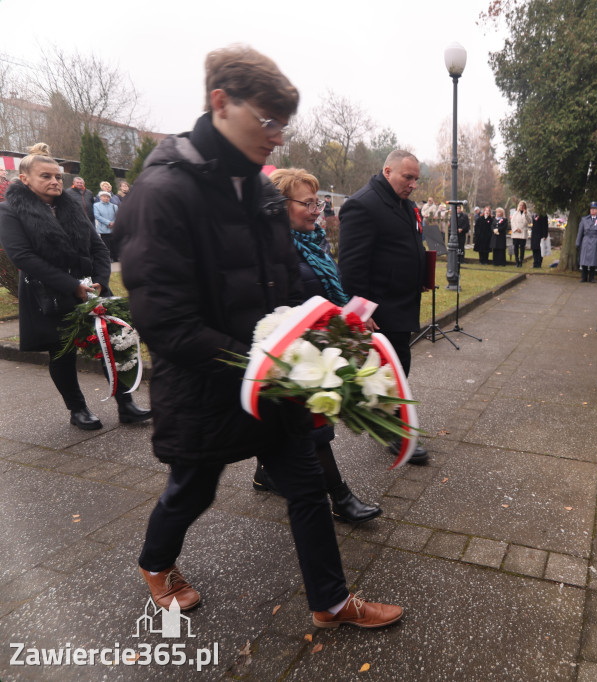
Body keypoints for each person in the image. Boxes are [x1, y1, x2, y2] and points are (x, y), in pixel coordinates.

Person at [117, 45, 402, 629]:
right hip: (205, 384)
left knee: (307, 483)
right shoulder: (163, 192)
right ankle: (156, 563)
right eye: (267, 120)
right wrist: (263, 360)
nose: (276, 137)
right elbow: (164, 320)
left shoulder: (263, 192)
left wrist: (321, 334)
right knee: (193, 490)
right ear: (221, 103)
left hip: (271, 375)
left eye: (283, 125)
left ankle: (330, 602)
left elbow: (285, 281)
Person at [249, 168, 382, 525]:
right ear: (281, 205)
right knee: (313, 430)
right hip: (291, 351)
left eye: (317, 203)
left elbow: (324, 292)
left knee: (295, 428)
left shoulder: (314, 243)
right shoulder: (275, 249)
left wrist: (350, 314)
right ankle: (339, 497)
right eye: (307, 203)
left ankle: (265, 473)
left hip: (315, 343)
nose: (316, 211)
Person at [0, 144, 150, 430]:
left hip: (90, 289)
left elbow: (98, 247)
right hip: (48, 293)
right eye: (46, 176)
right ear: (25, 179)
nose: (55, 181)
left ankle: (127, 404)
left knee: (111, 343)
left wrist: (101, 280)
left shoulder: (70, 206)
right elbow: (22, 256)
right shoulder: (9, 210)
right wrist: (71, 286)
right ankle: (78, 409)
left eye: (58, 176)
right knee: (62, 352)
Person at [337, 149, 430, 465]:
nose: (413, 184)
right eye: (408, 177)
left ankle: (384, 421)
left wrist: (421, 273)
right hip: (381, 309)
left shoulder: (404, 203)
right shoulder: (363, 204)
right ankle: (394, 431)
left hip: (402, 301)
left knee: (397, 365)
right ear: (387, 171)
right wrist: (361, 314)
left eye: (416, 179)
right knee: (393, 368)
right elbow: (351, 266)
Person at [577, 201, 597, 282]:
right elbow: (580, 232)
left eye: (594, 209)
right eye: (591, 209)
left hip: (595, 241)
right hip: (586, 240)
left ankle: (592, 278)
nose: (592, 210)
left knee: (594, 260)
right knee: (584, 259)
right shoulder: (584, 219)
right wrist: (578, 242)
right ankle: (584, 277)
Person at [93, 190, 119, 262]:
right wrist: (108, 223)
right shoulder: (96, 205)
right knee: (106, 244)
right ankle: (109, 257)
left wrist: (113, 223)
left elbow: (117, 216)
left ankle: (116, 257)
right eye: (104, 196)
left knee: (114, 243)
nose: (106, 198)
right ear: (100, 197)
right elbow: (97, 216)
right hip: (103, 228)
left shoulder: (114, 206)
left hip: (113, 228)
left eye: (107, 197)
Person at [510, 200, 529, 267]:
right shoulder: (515, 213)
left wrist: (525, 214)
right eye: (520, 205)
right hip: (516, 233)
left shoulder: (527, 213)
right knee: (516, 247)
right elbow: (512, 222)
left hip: (523, 232)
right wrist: (516, 229)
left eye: (523, 206)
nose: (522, 207)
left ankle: (521, 261)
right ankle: (517, 260)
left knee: (522, 247)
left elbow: (529, 221)